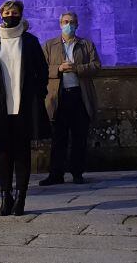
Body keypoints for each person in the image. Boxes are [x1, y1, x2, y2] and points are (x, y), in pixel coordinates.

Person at [0, 0, 50, 216]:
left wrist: (39, 93)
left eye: (14, 12)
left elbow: (42, 71)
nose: (10, 15)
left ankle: (21, 197)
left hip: (24, 104)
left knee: (22, 152)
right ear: (1, 15)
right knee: (4, 152)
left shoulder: (30, 42)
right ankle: (5, 196)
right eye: (7, 12)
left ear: (20, 15)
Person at [40, 12, 101, 186]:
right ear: (60, 24)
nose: (69, 25)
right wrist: (58, 68)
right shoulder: (50, 45)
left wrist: (77, 68)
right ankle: (55, 174)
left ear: (77, 24)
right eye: (66, 22)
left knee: (79, 137)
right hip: (58, 97)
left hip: (79, 95)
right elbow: (42, 68)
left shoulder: (86, 44)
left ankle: (77, 172)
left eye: (72, 22)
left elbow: (96, 66)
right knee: (58, 137)